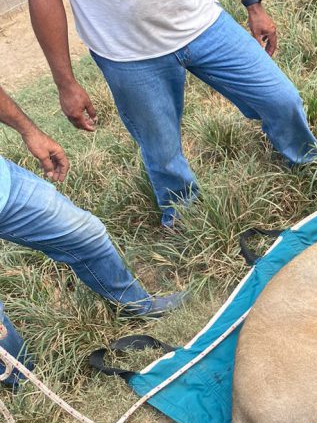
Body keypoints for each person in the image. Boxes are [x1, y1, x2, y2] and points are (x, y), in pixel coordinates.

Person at [24, 0, 317, 229]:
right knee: (161, 150)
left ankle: (309, 165)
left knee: (282, 99)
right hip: (128, 54)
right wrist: (65, 82)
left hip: (205, 25)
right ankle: (186, 218)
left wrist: (252, 3)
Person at [0, 84, 184, 385]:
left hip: (5, 187)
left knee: (85, 233)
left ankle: (135, 306)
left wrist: (29, 130)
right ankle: (27, 389)